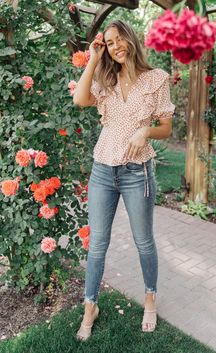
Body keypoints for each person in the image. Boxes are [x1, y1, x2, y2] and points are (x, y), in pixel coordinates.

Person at [73, 19, 175, 341]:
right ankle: (90, 306)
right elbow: (79, 99)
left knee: (143, 241)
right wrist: (92, 56)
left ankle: (149, 298)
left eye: (119, 40)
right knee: (97, 245)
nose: (115, 47)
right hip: (103, 171)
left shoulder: (156, 79)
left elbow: (167, 128)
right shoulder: (106, 79)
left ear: (131, 39)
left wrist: (145, 130)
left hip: (136, 173)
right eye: (110, 42)